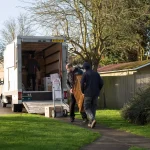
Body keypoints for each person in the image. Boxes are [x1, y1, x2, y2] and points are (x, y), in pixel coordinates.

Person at [81, 62, 103, 128]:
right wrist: (98, 89)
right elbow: (101, 83)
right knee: (93, 107)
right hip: (96, 93)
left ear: (85, 68)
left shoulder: (85, 74)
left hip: (88, 93)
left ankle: (92, 119)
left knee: (86, 107)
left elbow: (82, 84)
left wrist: (83, 91)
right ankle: (91, 123)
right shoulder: (96, 74)